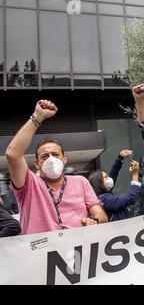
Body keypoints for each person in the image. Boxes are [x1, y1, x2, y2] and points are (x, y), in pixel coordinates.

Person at [5, 100, 107, 234]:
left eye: (55, 154)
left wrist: (94, 220)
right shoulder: (29, 184)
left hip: (78, 249)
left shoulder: (81, 182)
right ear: (37, 164)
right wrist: (38, 116)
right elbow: (12, 154)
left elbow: (101, 215)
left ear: (64, 159)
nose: (51, 159)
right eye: (45, 156)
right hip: (40, 252)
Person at [89, 150, 141, 222]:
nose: (109, 178)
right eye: (106, 177)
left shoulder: (100, 197)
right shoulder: (106, 199)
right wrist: (135, 175)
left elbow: (113, 174)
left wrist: (120, 158)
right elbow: (132, 198)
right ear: (99, 183)